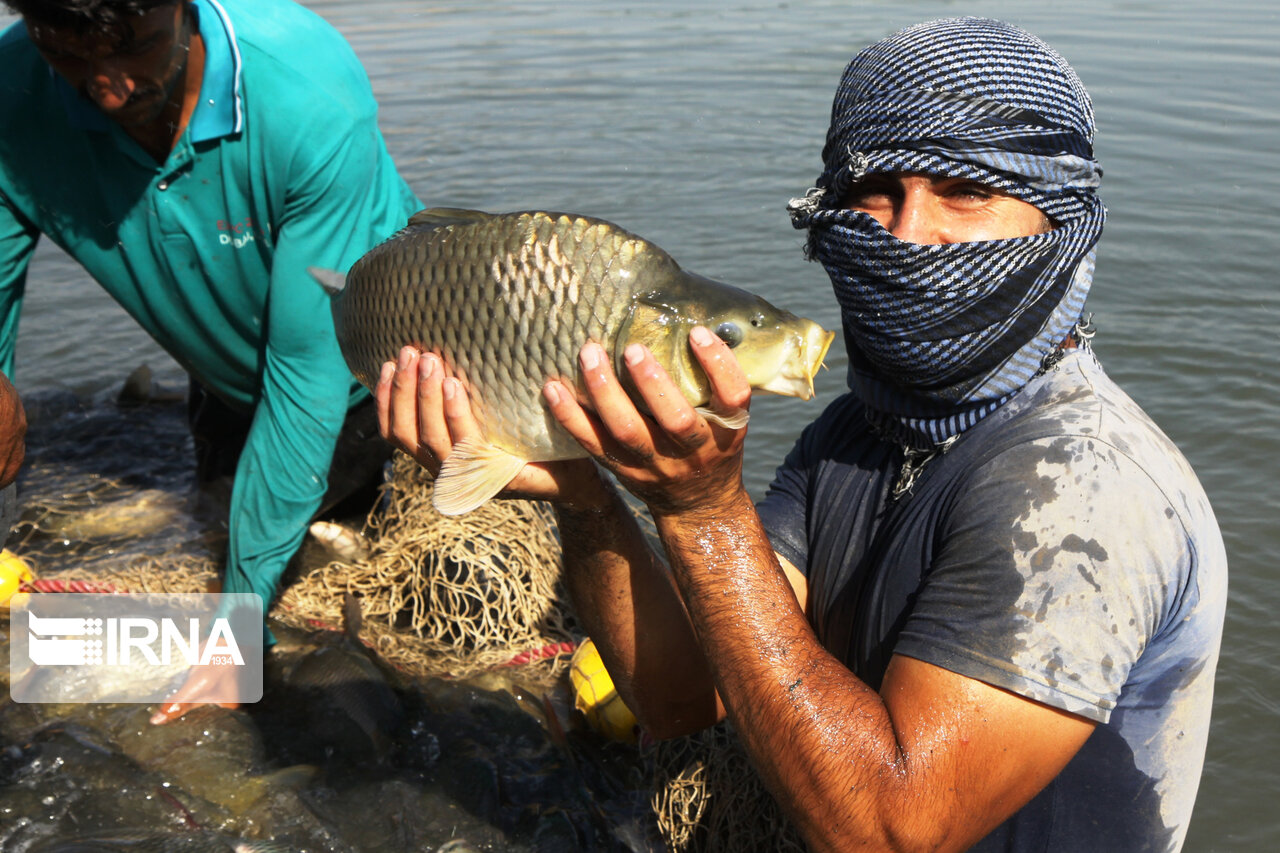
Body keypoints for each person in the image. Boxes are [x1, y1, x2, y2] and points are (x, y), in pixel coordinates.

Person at [379, 17, 1226, 853]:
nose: (906, 230)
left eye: (964, 189)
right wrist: (583, 492)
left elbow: (887, 829)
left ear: (1058, 218)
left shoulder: (1084, 485)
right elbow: (679, 696)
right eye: (876, 190)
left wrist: (704, 510)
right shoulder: (855, 435)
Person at [0, 0, 420, 721]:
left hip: (363, 375)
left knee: (309, 586)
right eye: (66, 53)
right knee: (216, 521)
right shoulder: (12, 91)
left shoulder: (304, 95)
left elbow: (304, 379)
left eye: (132, 46)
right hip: (224, 375)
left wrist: (238, 625)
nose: (105, 88)